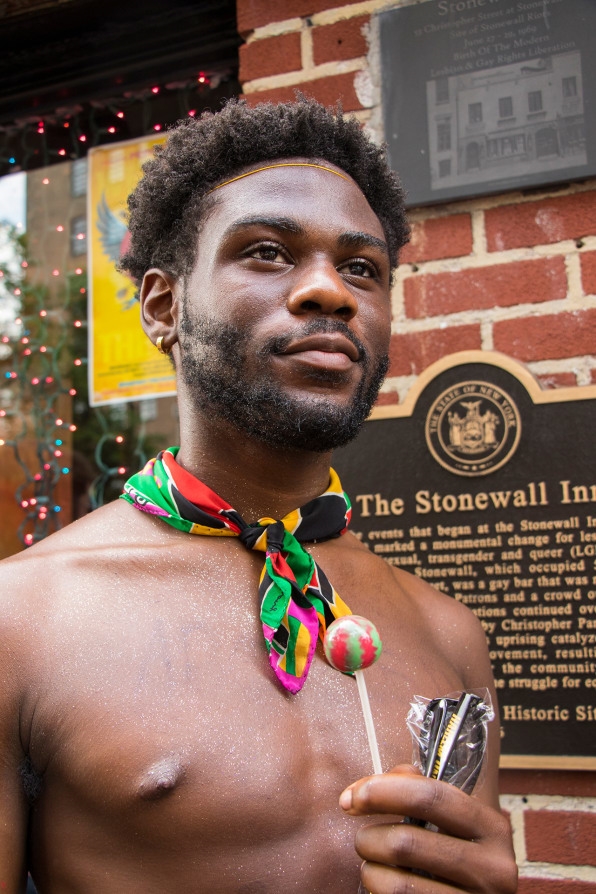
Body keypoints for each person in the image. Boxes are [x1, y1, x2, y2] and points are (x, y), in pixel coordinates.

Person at [0, 98, 517, 893]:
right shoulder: (22, 621)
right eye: (270, 252)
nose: (330, 293)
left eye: (361, 269)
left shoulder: (451, 636)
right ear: (164, 307)